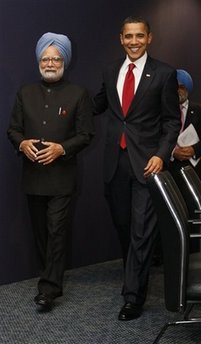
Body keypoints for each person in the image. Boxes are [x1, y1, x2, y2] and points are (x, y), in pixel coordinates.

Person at [94, 16, 180, 320]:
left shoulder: (164, 74)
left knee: (142, 231)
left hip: (147, 164)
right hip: (114, 164)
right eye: (128, 37)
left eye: (139, 36)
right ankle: (138, 268)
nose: (134, 42)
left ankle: (133, 296)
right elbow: (98, 105)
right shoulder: (109, 71)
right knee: (124, 226)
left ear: (149, 38)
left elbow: (171, 121)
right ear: (120, 38)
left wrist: (161, 154)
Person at [8, 32, 94, 311]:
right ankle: (49, 276)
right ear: (38, 61)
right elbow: (13, 129)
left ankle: (49, 289)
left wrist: (62, 149)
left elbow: (86, 134)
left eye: (56, 58)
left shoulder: (79, 94)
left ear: (64, 62)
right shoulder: (25, 92)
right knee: (41, 234)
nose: (50, 63)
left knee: (56, 231)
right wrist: (21, 143)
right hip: (32, 178)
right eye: (45, 58)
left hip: (62, 178)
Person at [169, 69, 201, 179]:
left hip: (194, 171)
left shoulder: (199, 110)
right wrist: (172, 152)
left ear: (187, 89)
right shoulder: (161, 111)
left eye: (181, 87)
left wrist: (194, 150)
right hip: (168, 170)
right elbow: (153, 138)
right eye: (174, 87)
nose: (177, 91)